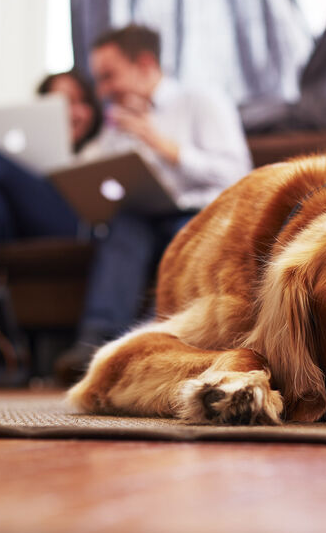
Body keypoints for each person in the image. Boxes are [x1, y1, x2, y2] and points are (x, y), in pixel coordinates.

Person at [54, 23, 252, 379]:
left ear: (144, 65)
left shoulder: (200, 101)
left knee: (175, 233)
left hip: (198, 214)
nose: (103, 91)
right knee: (123, 228)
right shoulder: (118, 122)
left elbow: (238, 173)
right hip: (143, 216)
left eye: (109, 76)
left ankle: (158, 349)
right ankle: (94, 348)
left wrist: (163, 146)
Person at [0, 70, 102, 316]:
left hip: (72, 226)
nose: (70, 113)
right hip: (22, 226)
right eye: (59, 104)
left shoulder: (100, 151)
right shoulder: (25, 166)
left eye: (78, 102)